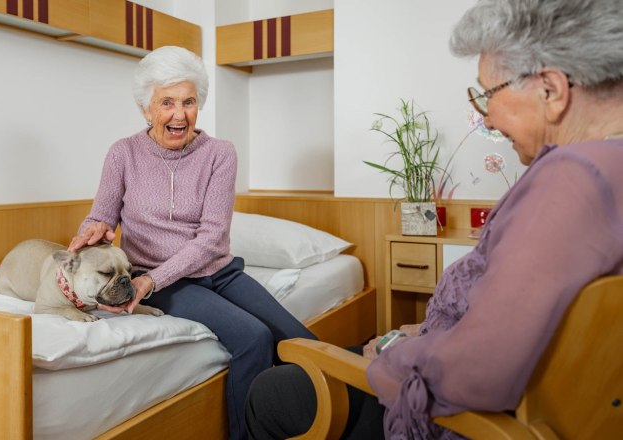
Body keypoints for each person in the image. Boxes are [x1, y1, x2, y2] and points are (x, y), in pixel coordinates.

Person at [245, 0, 623, 438]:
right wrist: (428, 333)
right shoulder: (604, 167)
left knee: (273, 390)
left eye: (488, 93)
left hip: (471, 414)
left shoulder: (572, 180)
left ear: (551, 90)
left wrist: (400, 352)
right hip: (520, 388)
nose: (487, 115)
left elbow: (480, 367)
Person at [68, 45, 316, 440]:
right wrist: (93, 229)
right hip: (162, 281)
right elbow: (101, 215)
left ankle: (333, 420)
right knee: (254, 338)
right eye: (166, 102)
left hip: (219, 272)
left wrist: (150, 281)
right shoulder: (123, 153)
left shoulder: (220, 154)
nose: (178, 114)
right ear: (146, 109)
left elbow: (211, 237)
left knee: (304, 342)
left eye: (188, 101)